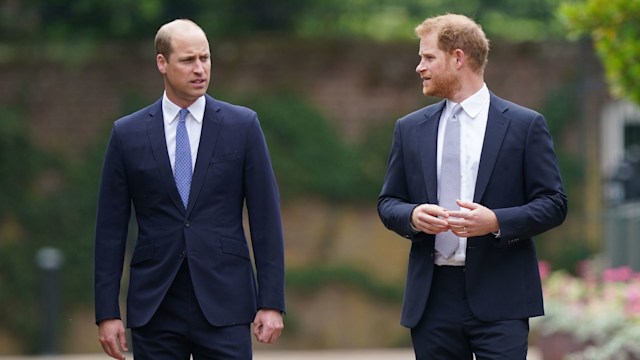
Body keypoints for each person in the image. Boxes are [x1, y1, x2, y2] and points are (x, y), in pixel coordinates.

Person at [377, 14, 567, 359]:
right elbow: (388, 202)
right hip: (432, 299)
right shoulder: (409, 129)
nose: (419, 67)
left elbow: (554, 203)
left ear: (459, 57)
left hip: (503, 296)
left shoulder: (525, 126)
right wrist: (413, 215)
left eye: (428, 57)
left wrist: (496, 222)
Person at [94, 19, 285, 359]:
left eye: (205, 58)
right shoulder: (128, 134)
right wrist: (107, 312)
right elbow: (110, 230)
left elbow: (266, 219)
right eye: (188, 60)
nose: (200, 69)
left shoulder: (243, 126)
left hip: (226, 303)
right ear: (162, 63)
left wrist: (271, 302)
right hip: (155, 305)